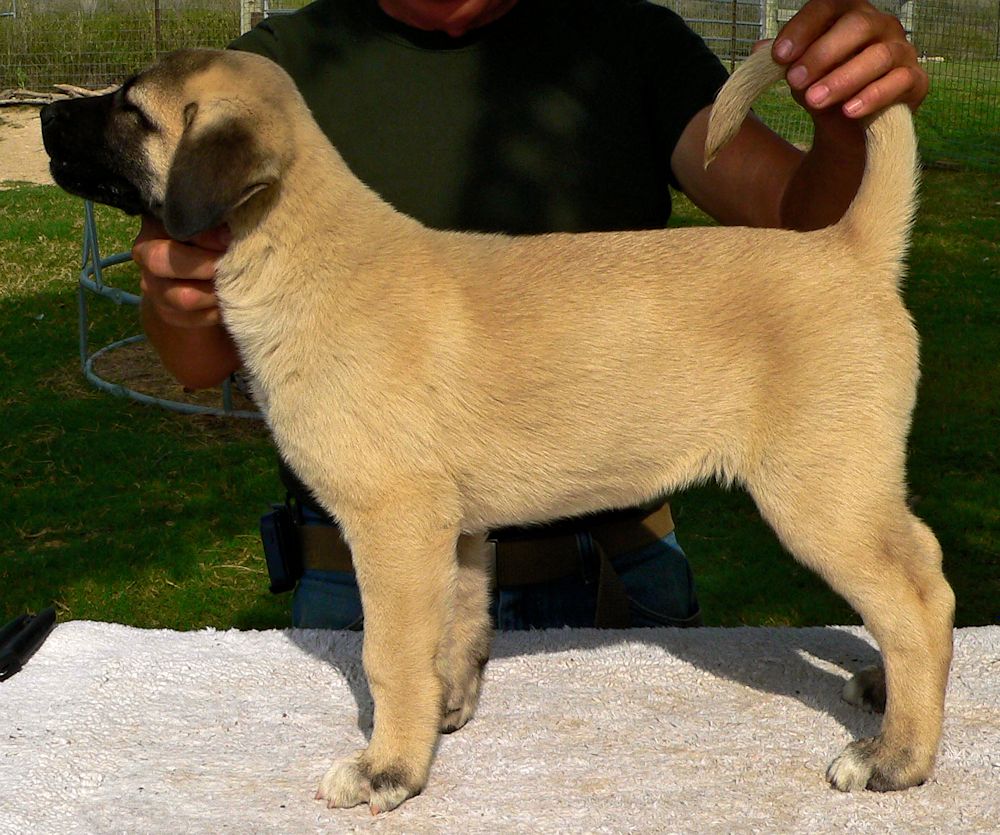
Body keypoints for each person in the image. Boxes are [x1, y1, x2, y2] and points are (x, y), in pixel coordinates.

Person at [133, 0, 928, 630]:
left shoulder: (628, 39)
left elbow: (803, 237)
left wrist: (850, 114)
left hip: (613, 571)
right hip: (360, 575)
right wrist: (178, 296)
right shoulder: (274, 76)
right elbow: (197, 359)